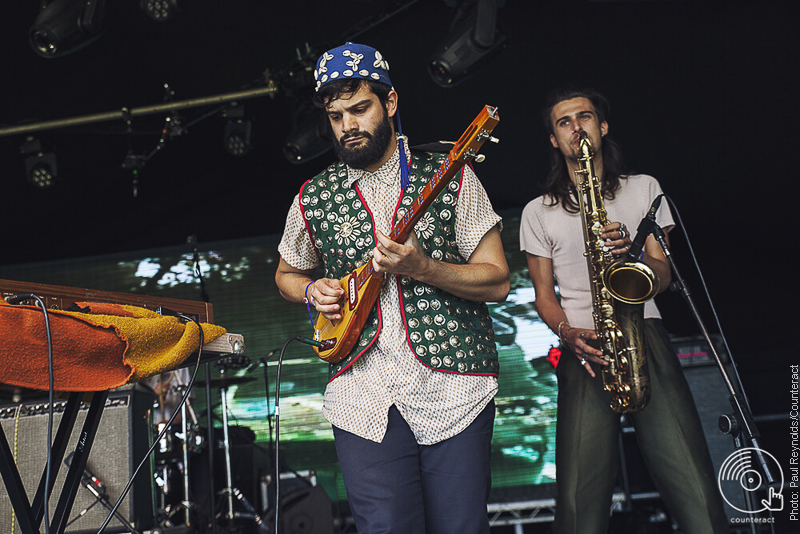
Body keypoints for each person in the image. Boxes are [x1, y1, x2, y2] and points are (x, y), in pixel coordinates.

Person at [274, 42, 510, 533]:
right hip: (363, 392)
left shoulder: (452, 175)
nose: (348, 126)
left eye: (360, 109)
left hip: (454, 384)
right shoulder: (313, 196)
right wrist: (311, 290)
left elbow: (497, 280)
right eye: (337, 116)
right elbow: (286, 273)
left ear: (391, 102)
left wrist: (425, 268)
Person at [520, 87, 729, 534]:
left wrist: (632, 259)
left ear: (603, 126)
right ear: (554, 141)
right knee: (579, 498)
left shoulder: (643, 188)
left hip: (644, 333)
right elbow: (543, 295)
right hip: (585, 349)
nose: (577, 126)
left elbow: (665, 274)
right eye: (564, 121)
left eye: (586, 116)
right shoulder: (538, 211)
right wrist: (567, 333)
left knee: (692, 480)